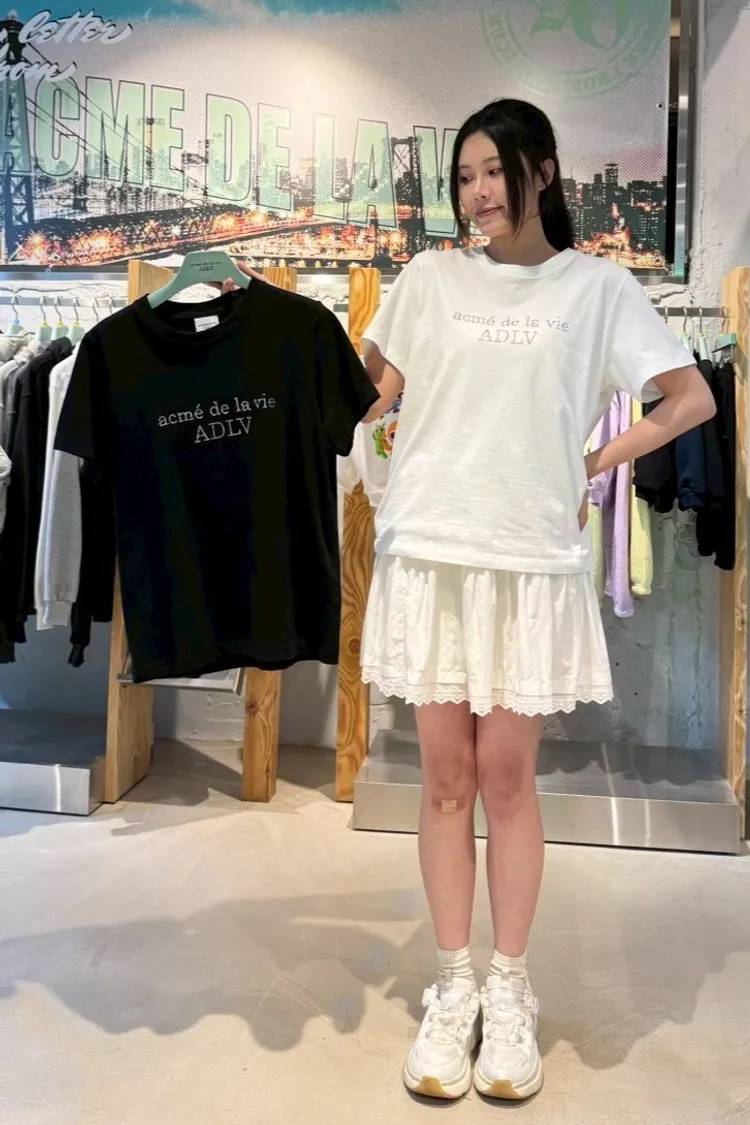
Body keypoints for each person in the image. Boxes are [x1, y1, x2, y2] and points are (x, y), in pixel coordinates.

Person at [355, 98, 715, 1102]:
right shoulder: (428, 280)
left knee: (508, 778)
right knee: (442, 778)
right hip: (432, 548)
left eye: (493, 170)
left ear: (543, 171)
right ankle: (454, 985)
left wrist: (594, 461)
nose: (477, 192)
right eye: (464, 174)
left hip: (527, 557)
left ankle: (510, 988)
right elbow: (365, 396)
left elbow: (690, 398)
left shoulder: (598, 287)